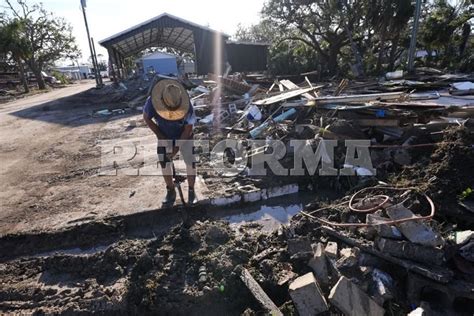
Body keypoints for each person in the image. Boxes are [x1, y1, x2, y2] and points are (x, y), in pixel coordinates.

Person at [143, 79, 197, 206]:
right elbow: (146, 118)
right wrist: (161, 136)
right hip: (164, 134)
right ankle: (170, 190)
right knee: (165, 163)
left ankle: (191, 191)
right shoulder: (152, 102)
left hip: (184, 135)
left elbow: (188, 129)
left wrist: (176, 148)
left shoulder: (188, 106)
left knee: (191, 162)